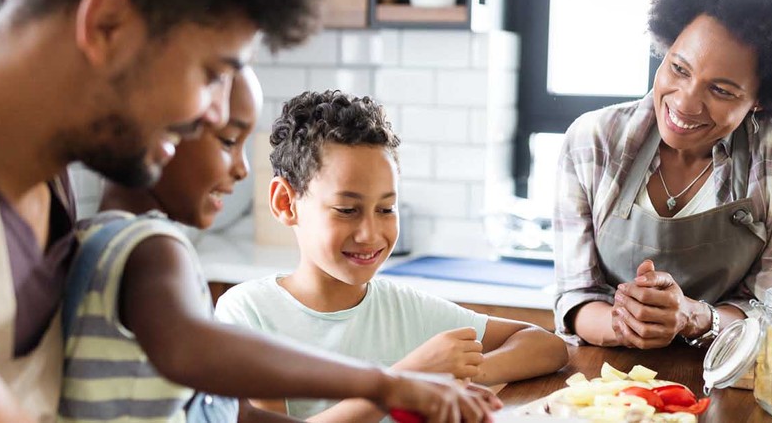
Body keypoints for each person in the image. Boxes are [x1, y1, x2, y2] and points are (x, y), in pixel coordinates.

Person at [0, 0, 490, 421]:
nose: (211, 117)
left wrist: (386, 389)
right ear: (105, 26)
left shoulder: (49, 193)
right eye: (210, 70)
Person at [60, 71, 500, 423]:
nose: (241, 169)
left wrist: (401, 392)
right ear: (160, 133)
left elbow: (236, 413)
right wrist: (386, 384)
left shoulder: (112, 239)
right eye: (229, 141)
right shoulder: (150, 247)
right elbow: (194, 348)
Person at [215, 90, 570, 423]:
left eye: (386, 209)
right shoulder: (248, 313)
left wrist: (459, 371)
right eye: (346, 209)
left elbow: (546, 346)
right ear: (285, 203)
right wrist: (405, 379)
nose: (370, 233)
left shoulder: (403, 309)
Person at [553, 0, 772, 349]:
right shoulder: (592, 140)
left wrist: (692, 318)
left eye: (721, 90)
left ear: (761, 99)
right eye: (679, 68)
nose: (685, 103)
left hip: (727, 382)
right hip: (606, 386)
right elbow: (576, 297)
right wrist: (632, 324)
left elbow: (770, 313)